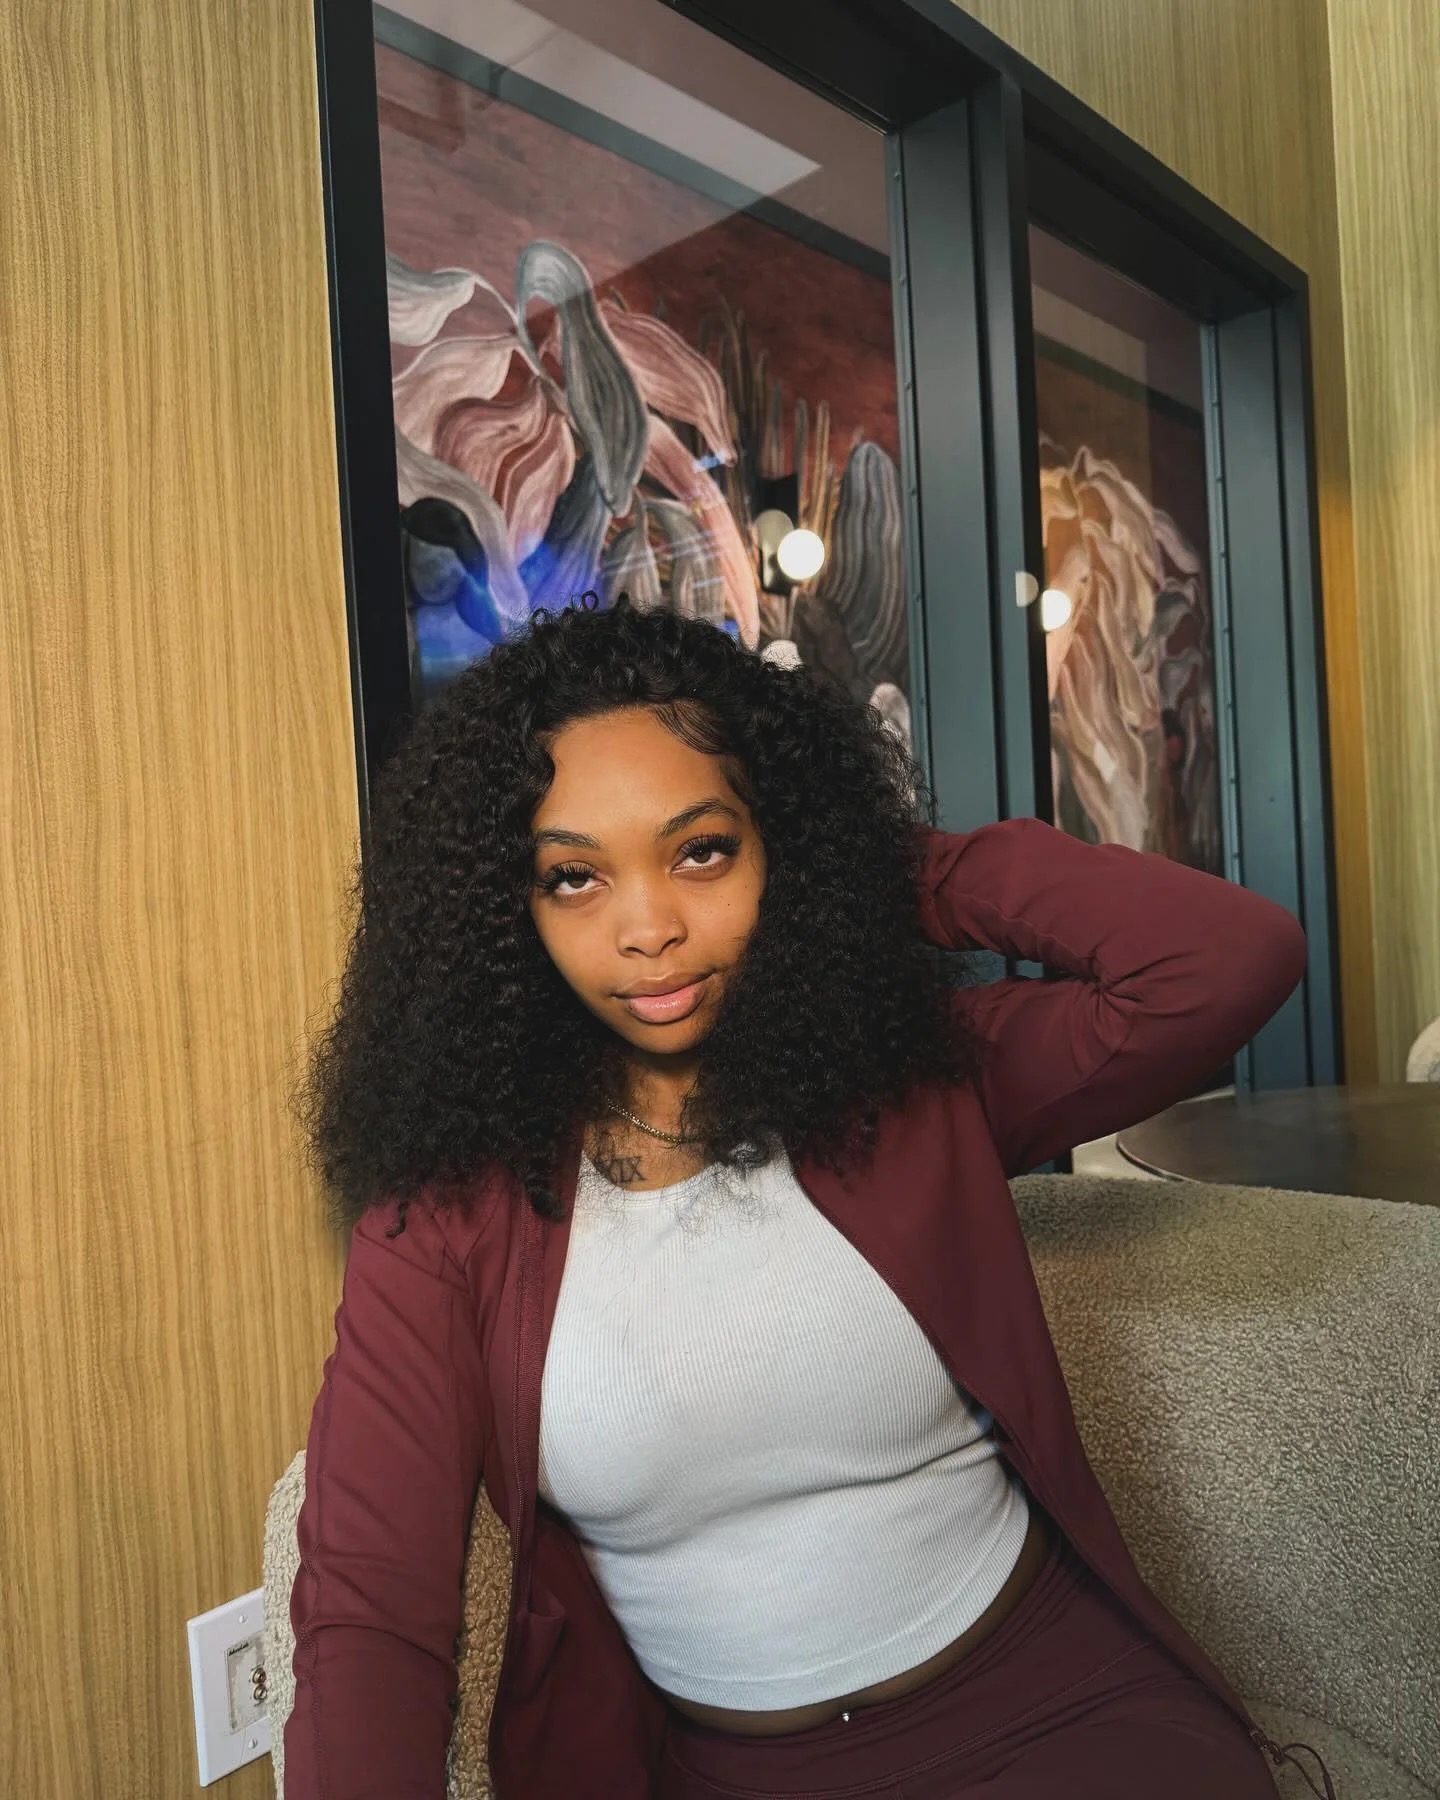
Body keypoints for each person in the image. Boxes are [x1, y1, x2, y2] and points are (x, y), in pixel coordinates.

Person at [287, 597, 1335, 1800]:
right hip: (735, 1773)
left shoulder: (911, 1081)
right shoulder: (444, 1217)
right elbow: (369, 1608)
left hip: (1057, 1706)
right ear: (503, 914)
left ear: (778, 845)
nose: (650, 929)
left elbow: (1223, 962)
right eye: (573, 878)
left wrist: (866, 860)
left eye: (702, 851)